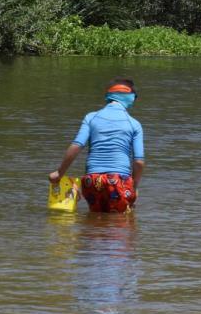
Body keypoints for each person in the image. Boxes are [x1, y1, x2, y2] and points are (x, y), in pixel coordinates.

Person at [49, 78, 145, 213]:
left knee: (95, 221)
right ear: (131, 98)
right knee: (120, 226)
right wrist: (133, 187)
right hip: (119, 180)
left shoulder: (91, 117)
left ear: (108, 97)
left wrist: (59, 173)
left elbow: (77, 146)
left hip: (91, 180)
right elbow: (139, 162)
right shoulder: (134, 124)